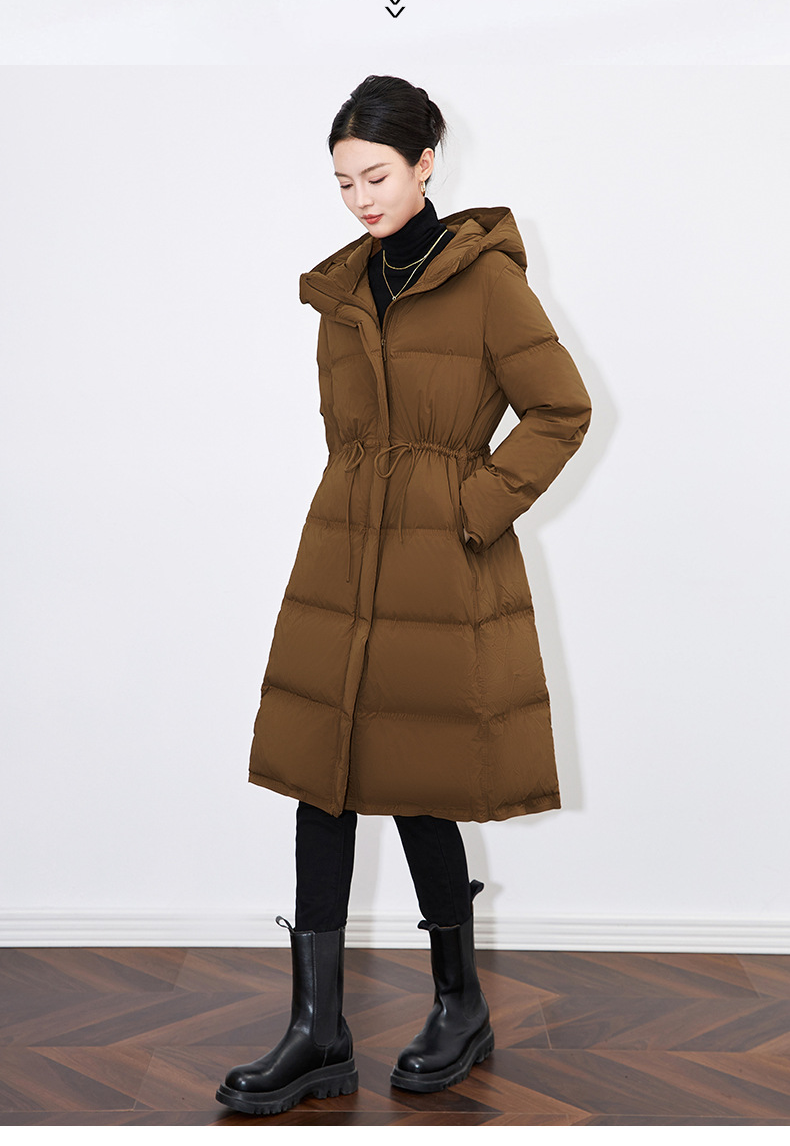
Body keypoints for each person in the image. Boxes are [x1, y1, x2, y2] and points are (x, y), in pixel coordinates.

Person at [216, 75, 592, 1116]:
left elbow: (561, 408)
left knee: (421, 779)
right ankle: (316, 1028)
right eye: (343, 181)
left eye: (375, 175)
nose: (360, 198)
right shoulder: (343, 289)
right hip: (343, 557)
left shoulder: (486, 282)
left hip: (437, 558)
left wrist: (471, 505)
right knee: (321, 776)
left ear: (427, 163)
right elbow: (348, 432)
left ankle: (459, 1003)